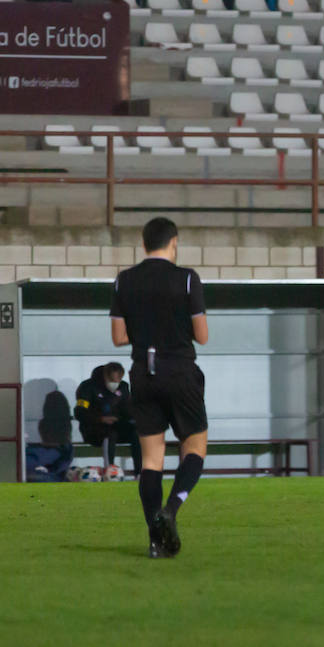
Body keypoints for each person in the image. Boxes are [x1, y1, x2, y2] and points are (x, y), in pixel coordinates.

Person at [110, 217, 210, 559]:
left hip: (143, 375)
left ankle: (156, 539)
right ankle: (170, 509)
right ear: (174, 242)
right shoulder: (186, 279)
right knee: (194, 445)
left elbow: (119, 337)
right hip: (180, 371)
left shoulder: (124, 280)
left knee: (151, 459)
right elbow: (202, 335)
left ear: (143, 245)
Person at [75, 362, 141, 477]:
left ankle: (140, 473)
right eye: (111, 380)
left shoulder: (123, 387)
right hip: (94, 430)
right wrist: (100, 419)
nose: (114, 384)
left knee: (137, 433)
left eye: (117, 381)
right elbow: (80, 412)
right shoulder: (88, 387)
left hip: (117, 426)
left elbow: (127, 410)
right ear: (104, 376)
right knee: (110, 434)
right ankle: (109, 472)